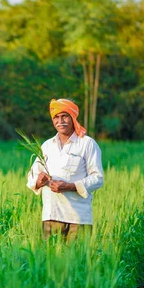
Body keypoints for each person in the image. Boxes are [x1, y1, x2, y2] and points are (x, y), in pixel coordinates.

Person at [26, 98, 104, 241]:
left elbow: (98, 178)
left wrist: (70, 186)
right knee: (51, 263)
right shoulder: (47, 146)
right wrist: (39, 181)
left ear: (73, 117)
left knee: (78, 262)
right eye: (56, 117)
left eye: (65, 116)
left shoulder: (87, 144)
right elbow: (32, 177)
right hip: (51, 217)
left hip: (78, 219)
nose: (60, 121)